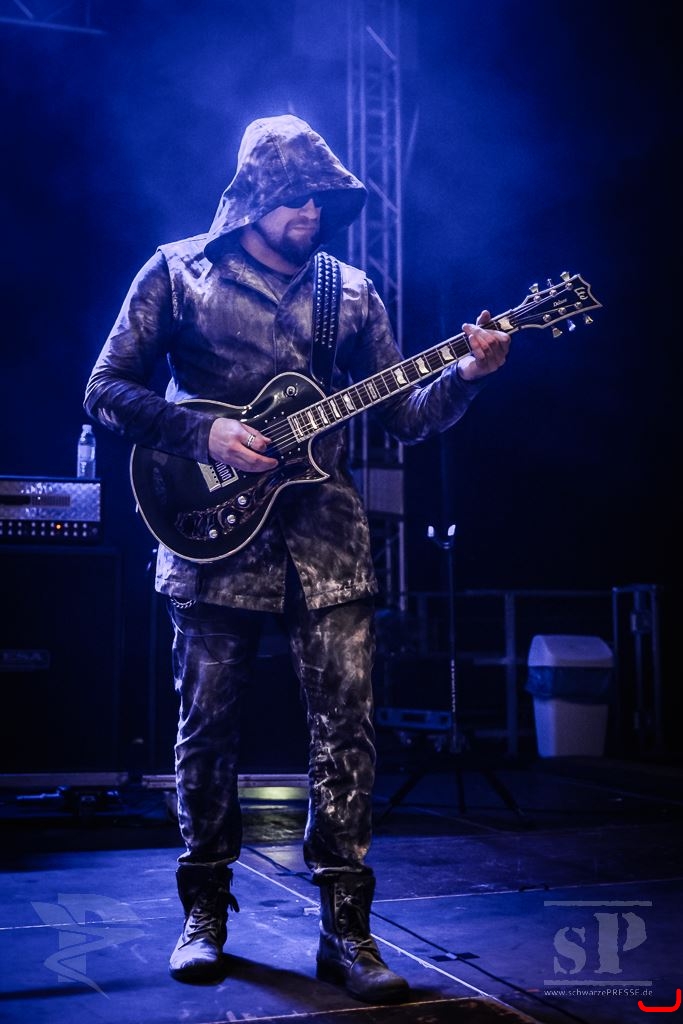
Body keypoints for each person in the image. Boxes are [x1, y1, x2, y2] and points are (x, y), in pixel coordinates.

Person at [84, 113, 510, 1005]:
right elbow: (106, 391)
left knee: (345, 733)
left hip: (325, 541)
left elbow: (404, 415)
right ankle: (204, 914)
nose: (312, 214)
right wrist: (204, 434)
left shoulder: (346, 291)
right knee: (206, 729)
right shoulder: (178, 271)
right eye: (297, 199)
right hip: (205, 534)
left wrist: (465, 377)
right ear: (253, 195)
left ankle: (346, 932)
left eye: (324, 201)